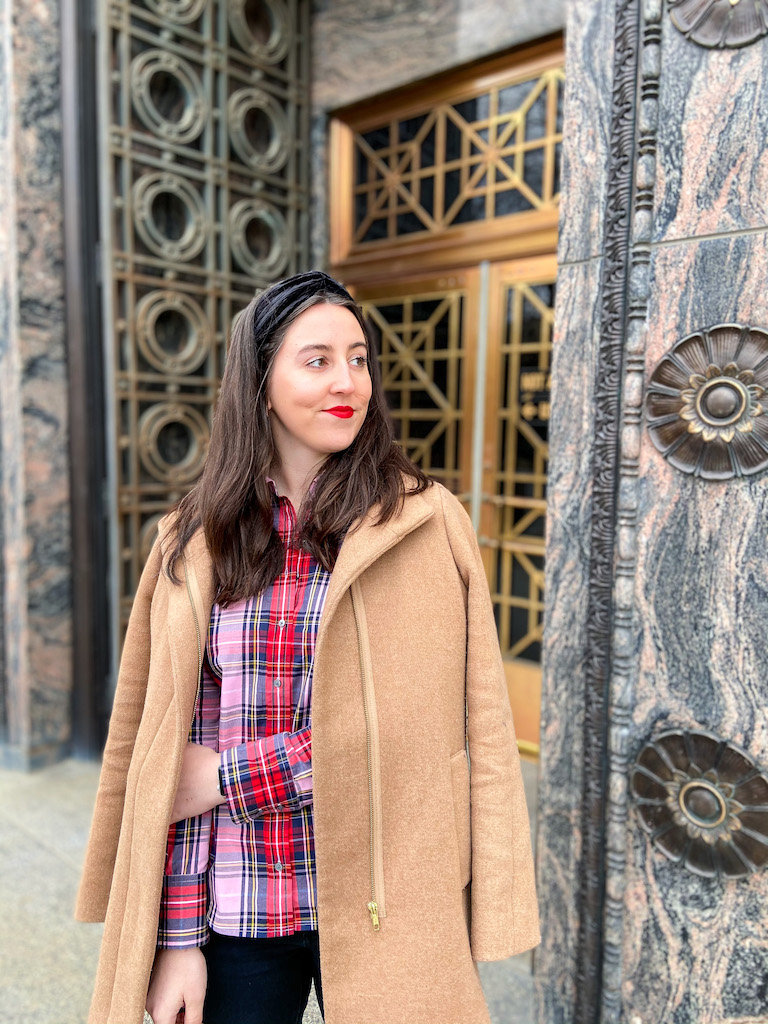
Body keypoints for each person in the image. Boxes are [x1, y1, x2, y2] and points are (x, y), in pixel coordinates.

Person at [76, 270, 540, 1024]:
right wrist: (177, 939)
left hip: (391, 893)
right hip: (242, 903)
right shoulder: (195, 541)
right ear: (259, 382)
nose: (347, 382)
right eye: (317, 359)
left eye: (358, 359)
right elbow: (170, 757)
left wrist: (230, 776)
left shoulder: (424, 523)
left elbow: (451, 729)